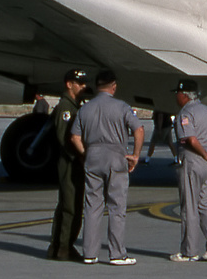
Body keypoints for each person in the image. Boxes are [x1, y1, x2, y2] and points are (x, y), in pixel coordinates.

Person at [69, 70, 144, 265]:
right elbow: (139, 129)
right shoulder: (121, 107)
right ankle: (117, 254)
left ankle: (90, 253)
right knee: (116, 206)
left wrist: (86, 153)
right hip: (115, 156)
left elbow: (74, 137)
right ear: (113, 86)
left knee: (92, 205)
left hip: (93, 155)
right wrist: (135, 155)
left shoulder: (85, 109)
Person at [170, 80, 207, 263]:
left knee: (189, 207)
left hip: (193, 161)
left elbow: (190, 139)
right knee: (206, 203)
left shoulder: (185, 113)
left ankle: (189, 251)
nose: (176, 97)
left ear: (185, 94)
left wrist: (204, 154)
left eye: (177, 93)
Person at [45, 69, 89, 261]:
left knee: (68, 204)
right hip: (70, 163)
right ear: (69, 84)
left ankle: (58, 246)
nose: (83, 87)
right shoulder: (66, 108)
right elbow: (65, 138)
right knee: (71, 205)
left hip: (72, 161)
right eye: (79, 83)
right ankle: (64, 247)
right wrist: (81, 157)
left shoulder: (74, 106)